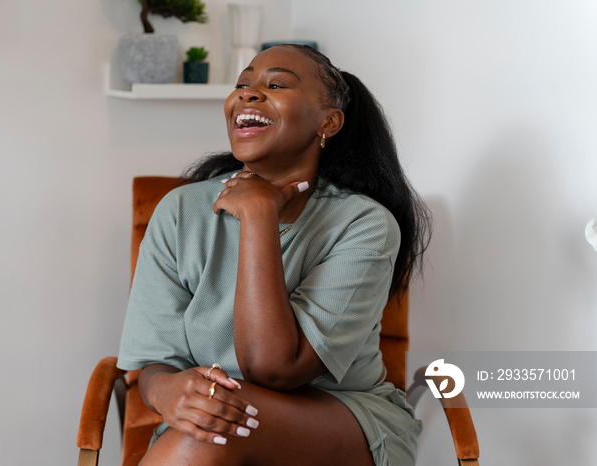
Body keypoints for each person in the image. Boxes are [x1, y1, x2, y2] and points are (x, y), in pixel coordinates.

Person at [117, 44, 431, 466]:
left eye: (276, 84)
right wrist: (166, 391)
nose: (248, 93)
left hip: (339, 421)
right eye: (242, 84)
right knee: (214, 421)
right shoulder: (180, 211)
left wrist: (258, 214)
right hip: (212, 419)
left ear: (328, 122)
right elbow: (155, 362)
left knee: (215, 428)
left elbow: (274, 369)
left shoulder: (364, 224)